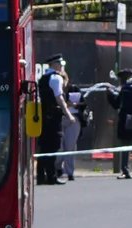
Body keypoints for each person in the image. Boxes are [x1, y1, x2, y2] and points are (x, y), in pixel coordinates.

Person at [36, 54, 75, 185]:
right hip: (53, 118)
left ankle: (41, 176)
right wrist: (69, 114)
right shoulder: (56, 78)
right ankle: (51, 176)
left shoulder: (43, 78)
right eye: (61, 64)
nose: (62, 67)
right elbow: (59, 98)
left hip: (44, 116)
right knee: (53, 146)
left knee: (44, 148)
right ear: (55, 64)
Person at [57, 75, 87, 182]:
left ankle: (69, 172)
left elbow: (84, 103)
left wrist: (74, 104)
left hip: (73, 119)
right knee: (59, 146)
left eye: (63, 80)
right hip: (60, 119)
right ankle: (58, 168)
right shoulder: (55, 89)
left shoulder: (74, 88)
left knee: (70, 146)